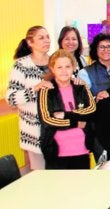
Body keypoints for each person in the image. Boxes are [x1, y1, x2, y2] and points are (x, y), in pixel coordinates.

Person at [37, 49, 96, 169]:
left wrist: (65, 115)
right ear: (52, 69)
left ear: (74, 67)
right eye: (59, 67)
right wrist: (76, 122)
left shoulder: (81, 86)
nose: (64, 71)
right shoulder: (46, 90)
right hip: (55, 152)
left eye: (67, 66)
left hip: (82, 149)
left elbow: (91, 110)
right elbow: (47, 120)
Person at [6, 25, 52, 170]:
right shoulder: (21, 65)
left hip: (57, 129)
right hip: (34, 132)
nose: (46, 41)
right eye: (41, 38)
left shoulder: (55, 62)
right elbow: (11, 98)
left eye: (47, 37)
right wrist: (35, 89)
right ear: (30, 42)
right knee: (41, 175)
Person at [77, 33, 110, 100]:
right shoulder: (84, 73)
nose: (106, 50)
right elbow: (82, 100)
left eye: (109, 46)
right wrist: (96, 99)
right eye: (101, 47)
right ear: (95, 50)